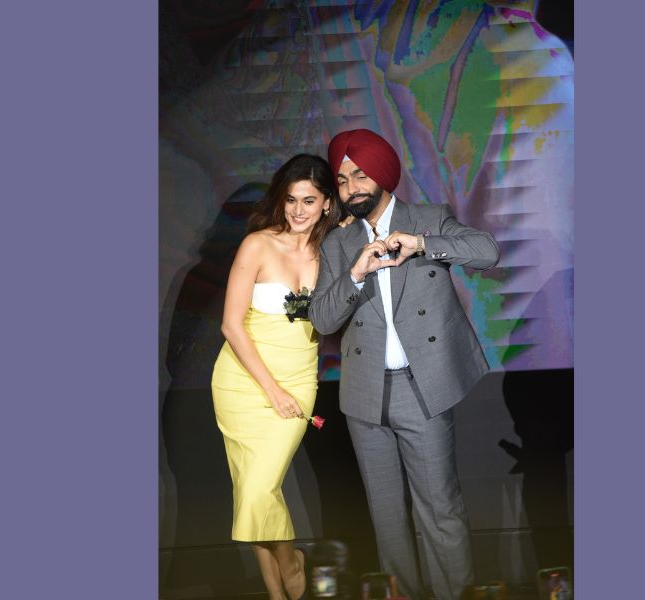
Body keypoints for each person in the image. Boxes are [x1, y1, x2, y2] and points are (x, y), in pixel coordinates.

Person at [309, 129, 500, 600]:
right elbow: (323, 319)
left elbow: (487, 252)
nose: (351, 188)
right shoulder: (338, 244)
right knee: (387, 518)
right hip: (364, 394)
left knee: (439, 509)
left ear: (383, 173)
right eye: (342, 180)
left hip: (422, 388)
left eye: (360, 175)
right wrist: (356, 273)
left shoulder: (427, 219)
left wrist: (420, 243)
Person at [211, 153, 342, 600]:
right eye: (290, 200)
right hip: (243, 381)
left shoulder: (333, 251)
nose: (298, 210)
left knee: (259, 488)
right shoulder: (258, 245)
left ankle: (291, 563)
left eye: (309, 200)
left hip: (299, 378)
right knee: (252, 488)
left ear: (327, 203)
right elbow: (231, 325)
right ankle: (276, 589)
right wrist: (271, 390)